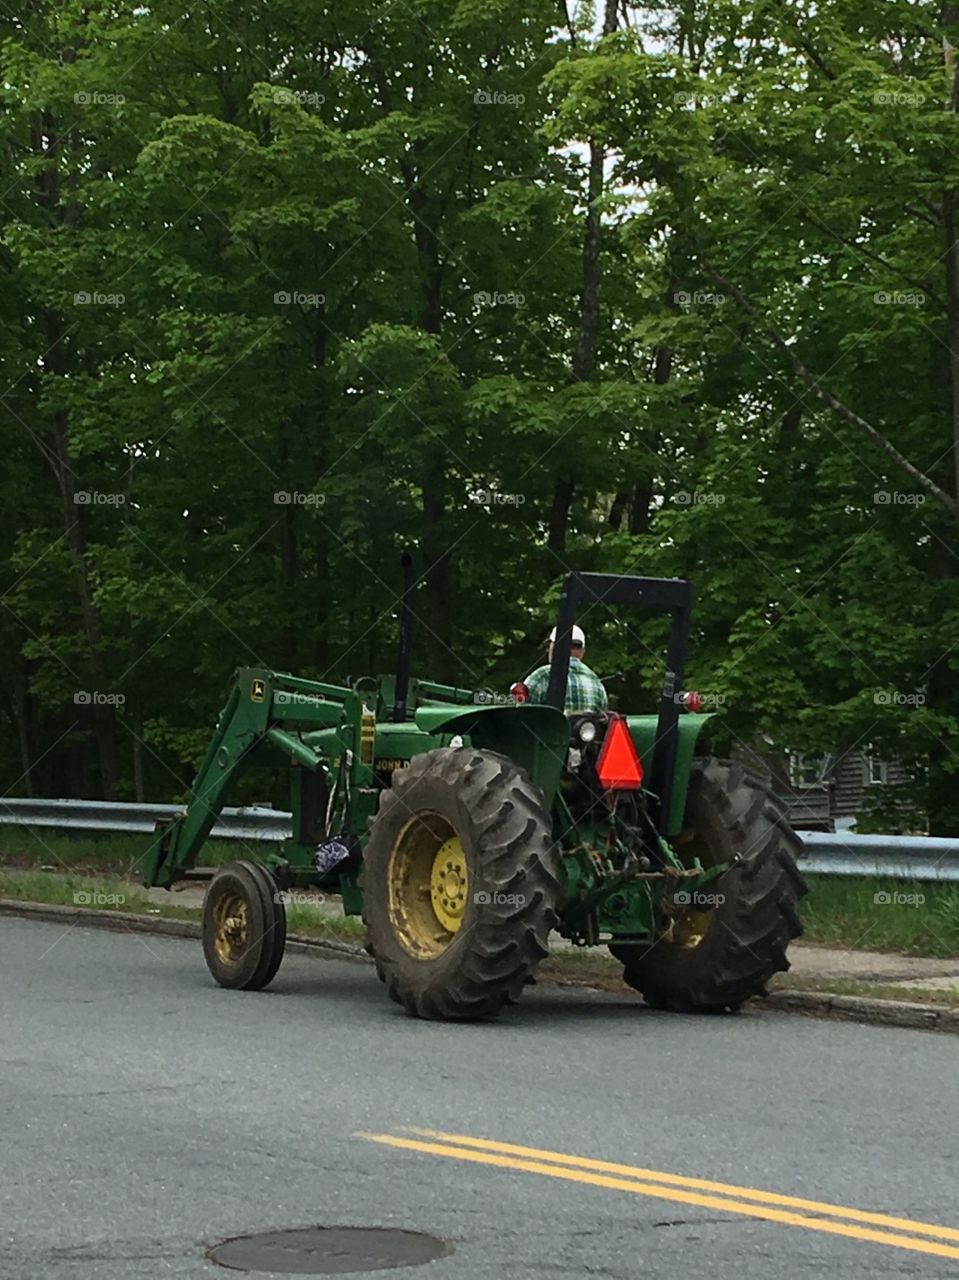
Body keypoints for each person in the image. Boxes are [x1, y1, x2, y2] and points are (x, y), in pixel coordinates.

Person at [523, 624, 608, 713]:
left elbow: (519, 712)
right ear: (582, 652)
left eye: (549, 645)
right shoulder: (595, 681)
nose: (548, 650)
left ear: (555, 646)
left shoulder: (542, 676)